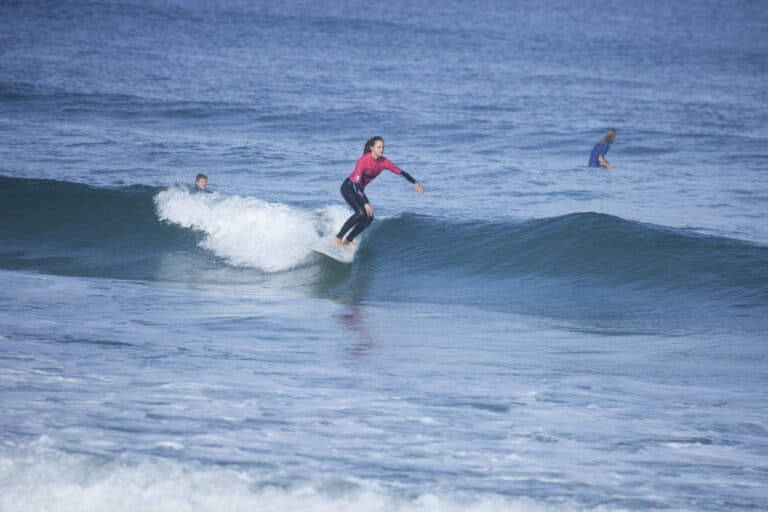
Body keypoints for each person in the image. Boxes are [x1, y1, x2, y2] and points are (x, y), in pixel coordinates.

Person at [335, 136, 424, 247]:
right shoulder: (363, 161)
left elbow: (401, 172)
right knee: (360, 213)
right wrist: (365, 202)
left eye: (383, 147)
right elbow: (356, 184)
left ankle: (348, 239)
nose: (381, 149)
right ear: (372, 148)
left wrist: (415, 182)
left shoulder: (384, 162)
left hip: (359, 191)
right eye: (379, 147)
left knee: (369, 217)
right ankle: (338, 238)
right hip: (349, 187)